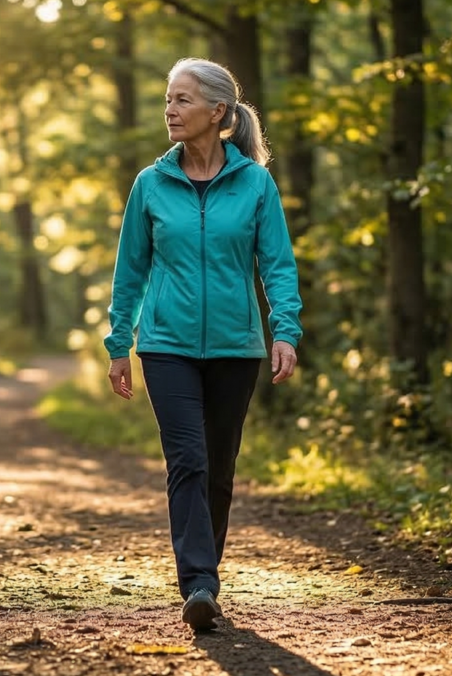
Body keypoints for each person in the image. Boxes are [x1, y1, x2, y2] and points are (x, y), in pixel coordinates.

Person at [103, 57, 302, 632]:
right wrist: (120, 342)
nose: (170, 109)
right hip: (165, 345)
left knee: (219, 466)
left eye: (183, 99)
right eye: (168, 99)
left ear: (219, 112)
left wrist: (284, 330)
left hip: (236, 348)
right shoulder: (150, 184)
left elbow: (278, 267)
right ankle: (199, 582)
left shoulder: (256, 184)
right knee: (187, 459)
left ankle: (203, 573)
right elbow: (129, 272)